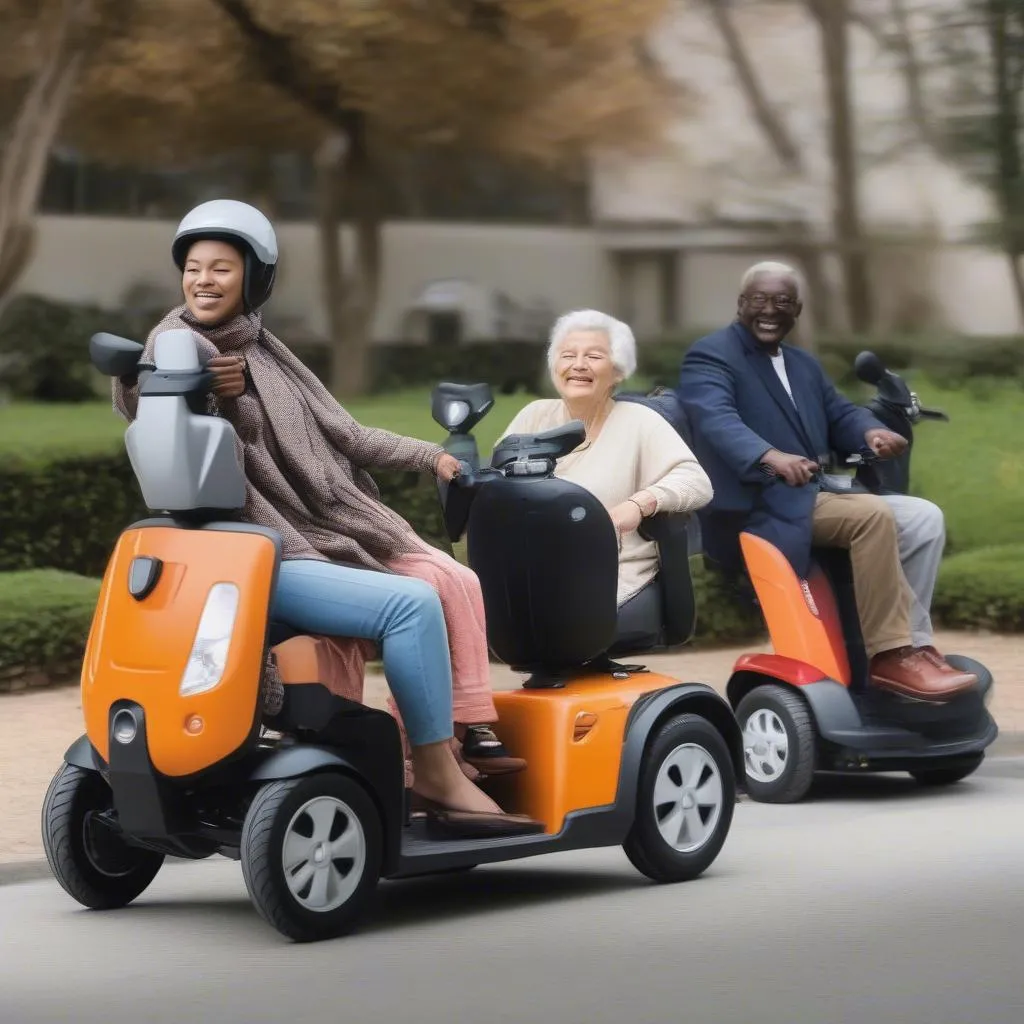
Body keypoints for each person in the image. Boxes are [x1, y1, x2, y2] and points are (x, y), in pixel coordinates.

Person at [112, 198, 536, 836]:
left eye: (222, 268)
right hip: (266, 546)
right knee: (410, 603)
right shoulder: (179, 345)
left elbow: (346, 436)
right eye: (193, 267)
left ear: (256, 280)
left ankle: (440, 742)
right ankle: (436, 772)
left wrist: (433, 457)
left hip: (305, 534)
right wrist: (201, 393)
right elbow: (157, 406)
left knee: (444, 578)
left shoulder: (265, 353)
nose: (203, 279)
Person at [676, 261, 977, 703]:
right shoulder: (711, 355)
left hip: (811, 495)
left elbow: (840, 413)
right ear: (741, 304)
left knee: (924, 517)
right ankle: (890, 656)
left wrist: (868, 431)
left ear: (797, 309)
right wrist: (769, 456)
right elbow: (717, 419)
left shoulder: (802, 364)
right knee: (870, 515)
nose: (770, 310)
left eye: (782, 302)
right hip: (761, 503)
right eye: (759, 300)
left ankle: (914, 644)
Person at [499, 309, 714, 618]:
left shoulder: (639, 421)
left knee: (548, 618)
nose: (578, 365)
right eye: (568, 355)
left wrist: (640, 504)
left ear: (618, 371)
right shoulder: (534, 416)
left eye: (595, 356)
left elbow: (695, 481)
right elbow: (495, 482)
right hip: (536, 568)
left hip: (609, 572)